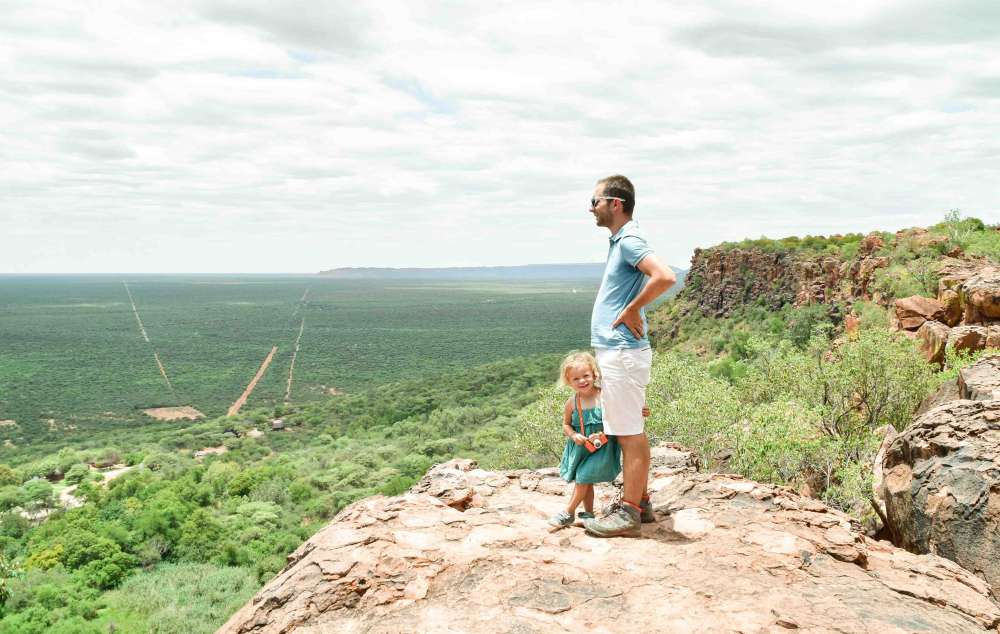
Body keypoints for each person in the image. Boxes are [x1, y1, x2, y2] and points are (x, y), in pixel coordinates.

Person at [582, 175, 676, 538]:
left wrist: (633, 309)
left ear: (615, 203)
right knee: (625, 428)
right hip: (619, 351)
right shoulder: (620, 240)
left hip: (621, 351)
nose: (591, 209)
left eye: (594, 202)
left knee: (629, 434)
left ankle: (630, 512)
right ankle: (642, 501)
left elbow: (664, 277)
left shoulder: (630, 240)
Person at [548, 351, 621, 528]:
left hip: (603, 447)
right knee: (585, 481)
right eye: (576, 379)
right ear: (569, 382)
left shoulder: (604, 396)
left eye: (585, 376)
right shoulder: (572, 402)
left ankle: (568, 512)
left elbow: (621, 412)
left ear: (594, 374)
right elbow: (566, 425)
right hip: (582, 448)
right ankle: (588, 514)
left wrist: (641, 411)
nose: (582, 381)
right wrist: (574, 435)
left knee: (583, 477)